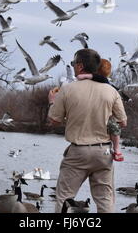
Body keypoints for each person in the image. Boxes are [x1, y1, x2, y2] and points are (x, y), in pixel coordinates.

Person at [48, 48, 127, 213]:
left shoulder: (68, 90)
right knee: (105, 200)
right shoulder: (111, 91)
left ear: (80, 66)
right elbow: (123, 122)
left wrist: (52, 102)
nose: (73, 65)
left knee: (64, 197)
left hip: (77, 153)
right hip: (103, 153)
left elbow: (54, 121)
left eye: (74, 63)